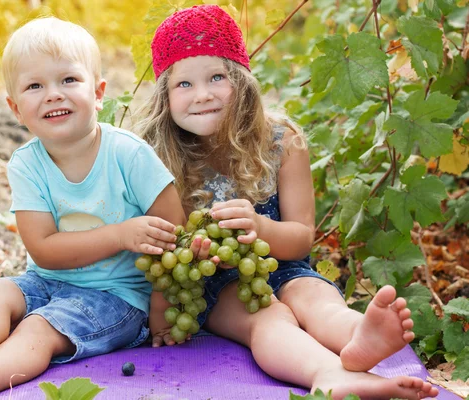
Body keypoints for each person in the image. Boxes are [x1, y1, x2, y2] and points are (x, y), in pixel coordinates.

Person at [137, 5, 439, 399]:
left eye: (217, 77)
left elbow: (299, 239)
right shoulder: (158, 158)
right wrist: (196, 261)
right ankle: (328, 373)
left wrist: (258, 228)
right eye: (184, 84)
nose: (204, 95)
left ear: (242, 81)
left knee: (316, 297)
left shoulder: (282, 142)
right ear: (164, 96)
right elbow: (164, 255)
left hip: (284, 265)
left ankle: (357, 335)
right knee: (268, 318)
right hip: (217, 287)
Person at [0, 16, 185, 399]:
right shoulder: (26, 163)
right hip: (45, 280)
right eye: (35, 86)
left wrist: (161, 306)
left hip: (116, 298)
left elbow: (173, 232)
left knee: (40, 328)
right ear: (15, 109)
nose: (53, 94)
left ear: (99, 92)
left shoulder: (129, 155)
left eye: (69, 80)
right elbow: (43, 249)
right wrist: (120, 234)